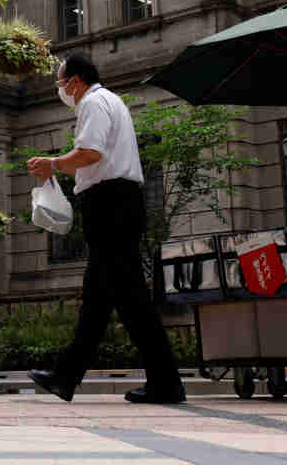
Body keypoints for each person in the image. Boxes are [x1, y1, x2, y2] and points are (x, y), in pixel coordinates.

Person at [25, 53, 186, 404]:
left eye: (61, 82)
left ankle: (165, 382)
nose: (61, 89)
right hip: (116, 203)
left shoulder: (94, 102)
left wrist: (51, 164)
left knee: (128, 298)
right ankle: (66, 376)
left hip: (110, 204)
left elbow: (89, 153)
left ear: (76, 81)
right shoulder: (110, 101)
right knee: (101, 299)